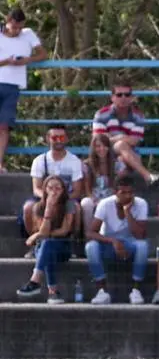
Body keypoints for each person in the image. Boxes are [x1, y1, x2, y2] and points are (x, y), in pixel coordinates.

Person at [84, 175, 150, 304]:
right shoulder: (105, 204)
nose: (127, 196)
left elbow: (140, 235)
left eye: (130, 192)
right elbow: (90, 233)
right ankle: (102, 291)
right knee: (90, 247)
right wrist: (113, 241)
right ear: (115, 193)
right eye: (123, 193)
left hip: (131, 243)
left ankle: (136, 291)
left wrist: (127, 213)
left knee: (143, 246)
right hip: (109, 244)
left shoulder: (141, 204)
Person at [0, 7, 48, 172]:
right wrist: (6, 61)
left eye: (20, 27)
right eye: (14, 27)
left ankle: (0, 162)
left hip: (13, 85)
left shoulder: (28, 34)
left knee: (4, 126)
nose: (17, 31)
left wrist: (28, 60)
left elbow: (43, 54)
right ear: (8, 22)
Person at [16, 175, 76, 304]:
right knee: (47, 246)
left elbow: (64, 230)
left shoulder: (69, 205)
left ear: (63, 190)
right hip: (44, 247)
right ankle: (53, 293)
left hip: (63, 246)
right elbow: (43, 232)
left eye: (58, 188)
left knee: (48, 244)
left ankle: (35, 282)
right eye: (50, 188)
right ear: (45, 189)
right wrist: (48, 209)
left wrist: (37, 236)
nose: (54, 192)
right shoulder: (38, 207)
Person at [23, 125, 84, 243]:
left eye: (61, 137)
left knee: (76, 207)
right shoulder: (39, 160)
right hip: (44, 198)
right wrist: (49, 199)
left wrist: (60, 198)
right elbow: (36, 188)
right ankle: (35, 242)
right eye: (55, 137)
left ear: (66, 139)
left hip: (66, 198)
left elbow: (77, 190)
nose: (58, 140)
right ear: (48, 138)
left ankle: (74, 241)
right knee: (28, 207)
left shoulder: (74, 161)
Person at [92, 81, 159, 187]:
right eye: (119, 95)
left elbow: (134, 141)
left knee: (122, 160)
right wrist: (121, 137)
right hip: (105, 151)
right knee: (121, 145)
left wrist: (114, 138)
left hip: (130, 153)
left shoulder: (138, 116)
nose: (123, 98)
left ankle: (117, 192)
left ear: (131, 97)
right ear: (112, 98)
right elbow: (99, 139)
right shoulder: (101, 114)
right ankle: (147, 176)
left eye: (127, 95)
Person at [81, 133, 117, 233]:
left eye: (105, 145)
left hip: (110, 196)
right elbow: (87, 188)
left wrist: (106, 201)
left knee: (111, 204)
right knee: (86, 203)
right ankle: (89, 234)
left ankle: (107, 235)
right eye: (98, 146)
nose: (102, 149)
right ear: (94, 148)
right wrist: (93, 199)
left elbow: (117, 186)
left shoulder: (115, 164)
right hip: (94, 196)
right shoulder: (87, 164)